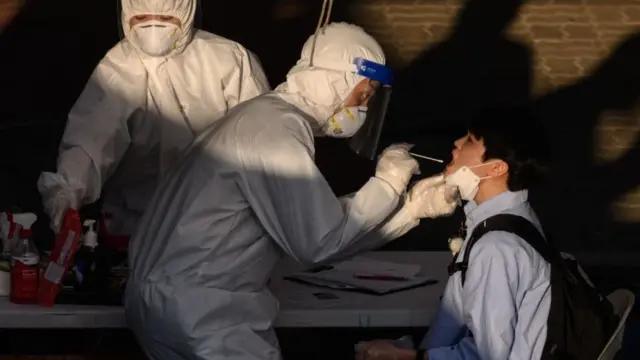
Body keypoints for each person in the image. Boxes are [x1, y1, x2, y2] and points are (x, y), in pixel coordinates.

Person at [124, 22, 460, 360]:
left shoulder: (261, 118)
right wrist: (387, 184)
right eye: (363, 95)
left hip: (172, 303)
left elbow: (318, 232)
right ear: (334, 80)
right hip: (204, 315)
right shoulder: (276, 129)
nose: (363, 109)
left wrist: (409, 212)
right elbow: (320, 242)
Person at [37, 0, 270, 236]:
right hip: (138, 227)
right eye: (142, 19)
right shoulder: (118, 67)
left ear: (187, 11)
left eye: (167, 19)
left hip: (223, 225)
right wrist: (66, 191)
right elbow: (91, 140)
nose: (154, 29)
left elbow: (262, 140)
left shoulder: (228, 60)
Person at [356, 106, 552, 360]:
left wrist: (407, 357)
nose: (457, 144)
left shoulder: (496, 247)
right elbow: (455, 317)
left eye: (470, 140)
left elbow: (489, 354)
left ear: (496, 168)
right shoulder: (505, 221)